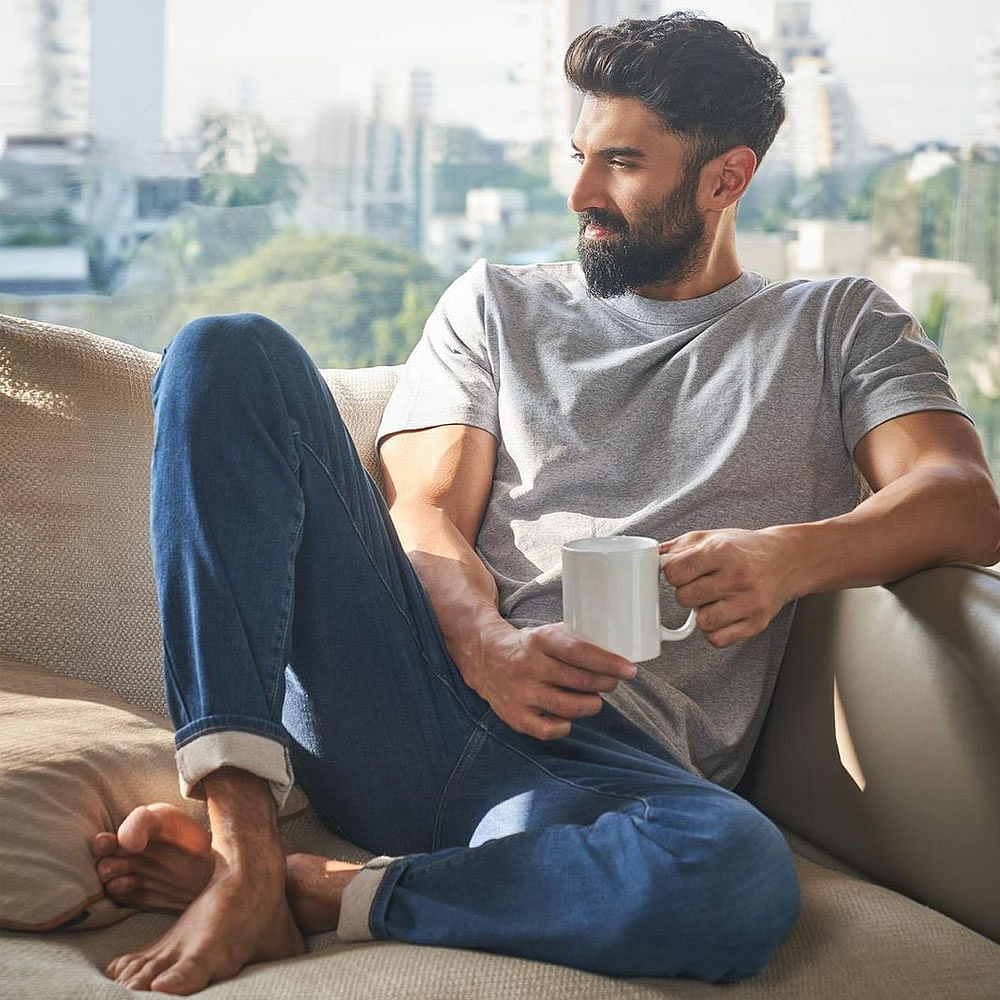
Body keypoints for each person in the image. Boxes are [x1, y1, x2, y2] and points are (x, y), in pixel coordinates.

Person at [90, 12, 1000, 996]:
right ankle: (242, 847)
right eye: (578, 154)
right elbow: (424, 508)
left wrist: (785, 558)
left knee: (735, 873)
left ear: (727, 177)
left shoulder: (835, 325)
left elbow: (959, 500)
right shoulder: (496, 303)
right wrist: (482, 641)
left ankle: (324, 892)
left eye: (620, 163)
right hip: (409, 695)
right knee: (228, 347)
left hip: (603, 783)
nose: (580, 193)